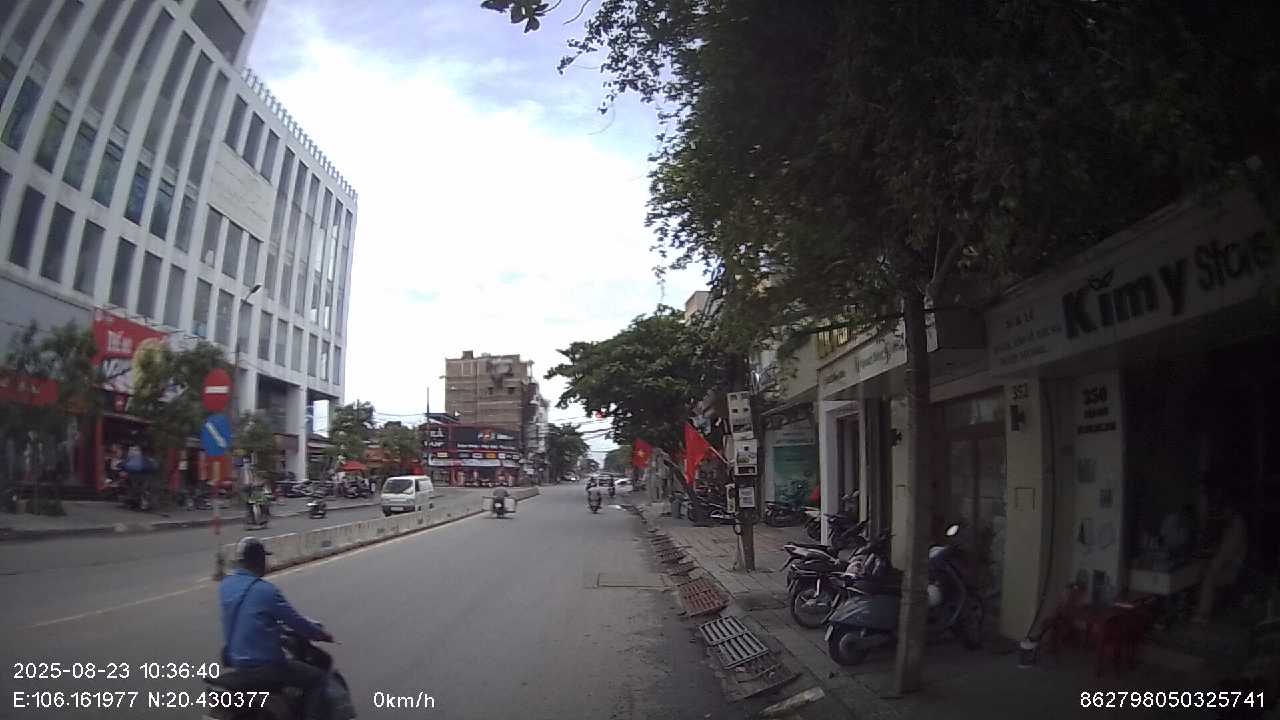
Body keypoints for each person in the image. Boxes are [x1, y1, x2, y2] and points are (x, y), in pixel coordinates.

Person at [220, 538, 333, 720]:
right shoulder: (266, 591)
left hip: (236, 663)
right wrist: (319, 634)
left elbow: (252, 618)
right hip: (265, 667)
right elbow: (296, 621)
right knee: (317, 679)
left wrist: (276, 629)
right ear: (258, 561)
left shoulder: (226, 586)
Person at [1195, 487, 1248, 623]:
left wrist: (1212, 565)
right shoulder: (1230, 524)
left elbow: (1226, 553)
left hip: (1233, 569)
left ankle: (1203, 614)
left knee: (1208, 576)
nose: (1222, 513)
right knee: (1202, 570)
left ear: (1229, 509)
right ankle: (1201, 607)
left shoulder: (1236, 525)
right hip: (1226, 564)